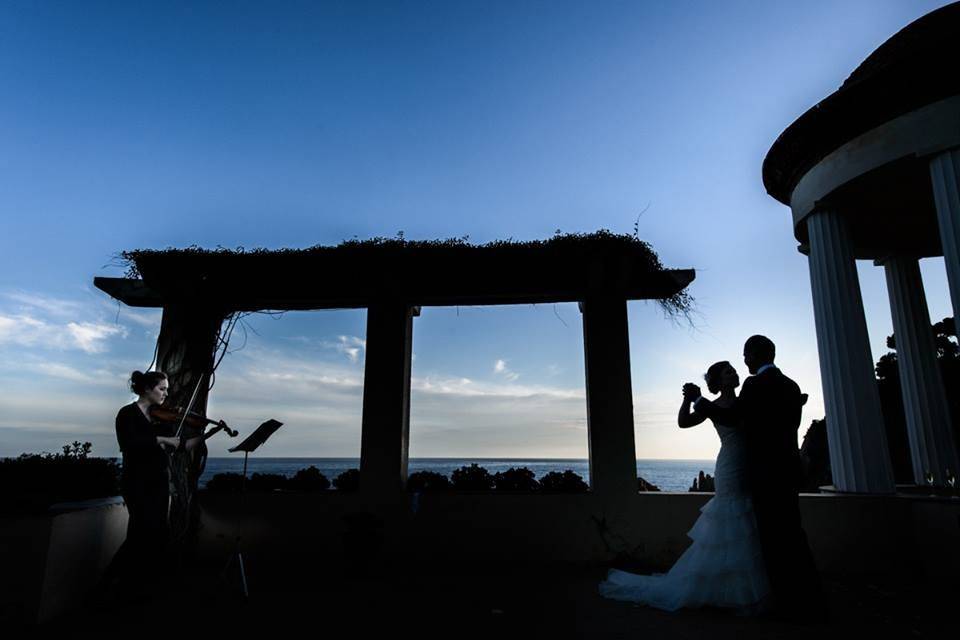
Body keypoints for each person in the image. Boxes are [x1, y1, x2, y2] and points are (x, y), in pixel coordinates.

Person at [598, 360, 771, 614]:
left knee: (748, 521)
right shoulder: (714, 406)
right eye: (728, 371)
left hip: (750, 465)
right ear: (718, 380)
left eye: (734, 369)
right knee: (732, 521)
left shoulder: (746, 398)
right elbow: (684, 422)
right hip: (731, 467)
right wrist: (688, 400)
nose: (734, 373)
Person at [687, 335, 826, 622]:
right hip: (788, 472)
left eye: (745, 355)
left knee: (772, 542)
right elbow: (791, 426)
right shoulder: (792, 386)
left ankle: (786, 603)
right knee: (793, 535)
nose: (744, 361)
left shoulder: (753, 385)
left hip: (763, 474)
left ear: (753, 354)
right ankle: (811, 598)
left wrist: (699, 400)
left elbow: (732, 416)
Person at [104, 370, 180, 601]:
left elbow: (178, 444)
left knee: (157, 533)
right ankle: (113, 586)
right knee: (140, 533)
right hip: (137, 482)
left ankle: (143, 586)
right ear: (147, 389)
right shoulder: (127, 414)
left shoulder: (158, 418)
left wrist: (206, 433)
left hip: (158, 481)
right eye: (162, 388)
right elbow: (129, 444)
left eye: (166, 389)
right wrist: (161, 439)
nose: (166, 393)